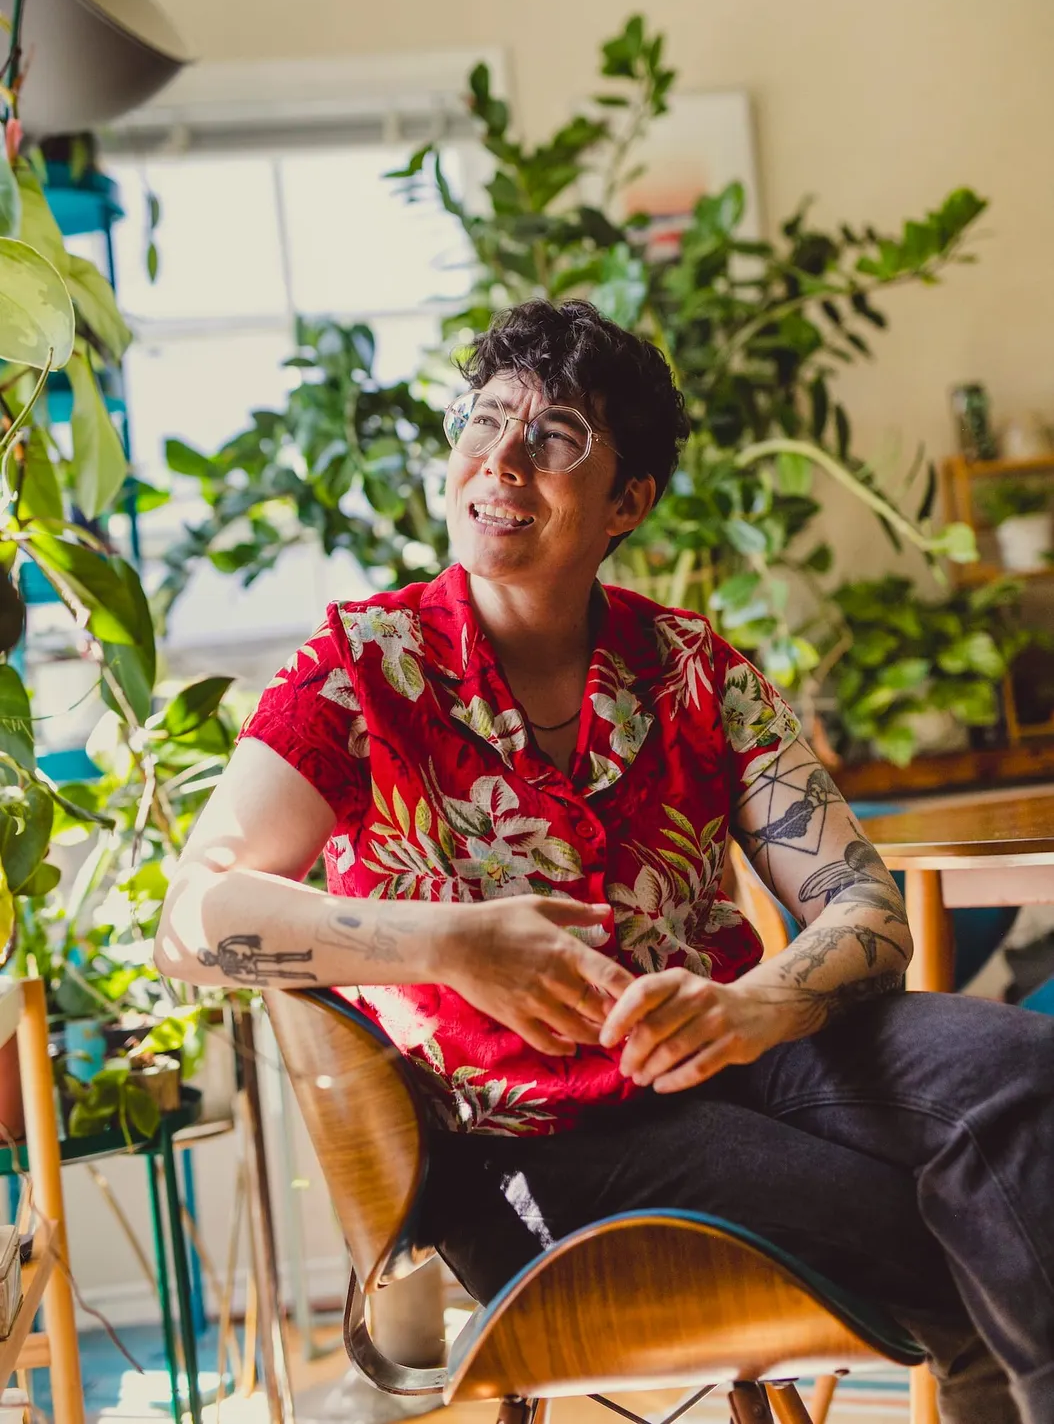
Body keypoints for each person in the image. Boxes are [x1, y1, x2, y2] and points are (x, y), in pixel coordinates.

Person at [155, 299, 1054, 1424]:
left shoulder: (694, 669)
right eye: (484, 422)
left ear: (630, 500)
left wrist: (758, 1001)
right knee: (968, 1226)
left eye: (556, 438)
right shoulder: (357, 670)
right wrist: (446, 944)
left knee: (1025, 1073)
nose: (500, 463)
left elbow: (864, 906)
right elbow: (191, 917)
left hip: (733, 1059)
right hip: (526, 1145)